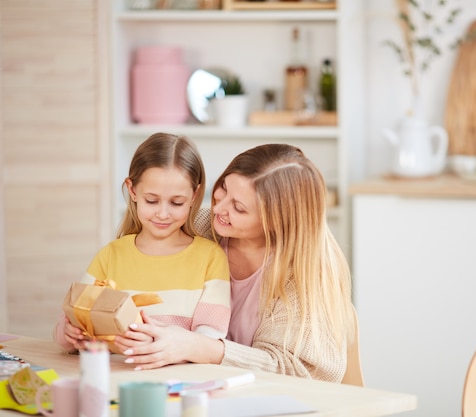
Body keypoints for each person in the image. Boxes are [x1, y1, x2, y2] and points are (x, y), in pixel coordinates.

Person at [118, 144, 356, 382]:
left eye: (239, 208)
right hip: (186, 386)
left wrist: (199, 347)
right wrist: (91, 326)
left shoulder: (305, 274)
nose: (218, 208)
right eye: (223, 188)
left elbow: (300, 372)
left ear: (275, 222)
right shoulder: (197, 228)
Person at [53, 133, 230, 368]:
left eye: (176, 203)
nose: (163, 213)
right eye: (152, 201)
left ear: (194, 195)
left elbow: (208, 338)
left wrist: (163, 345)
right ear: (133, 190)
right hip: (113, 375)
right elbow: (70, 326)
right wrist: (68, 333)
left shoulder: (210, 257)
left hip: (179, 380)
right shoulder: (111, 255)